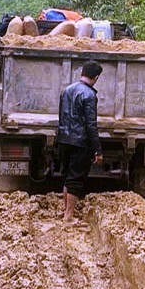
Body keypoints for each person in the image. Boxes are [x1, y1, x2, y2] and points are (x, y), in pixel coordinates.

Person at [57, 61, 103, 221]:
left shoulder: (66, 90)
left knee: (67, 176)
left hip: (64, 139)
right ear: (96, 77)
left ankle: (65, 211)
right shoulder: (90, 95)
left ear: (82, 72)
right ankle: (68, 216)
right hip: (80, 142)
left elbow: (62, 116)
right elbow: (91, 125)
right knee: (75, 179)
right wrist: (97, 150)